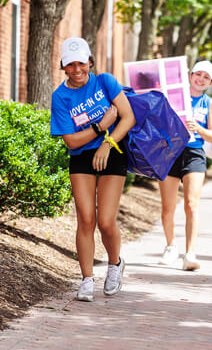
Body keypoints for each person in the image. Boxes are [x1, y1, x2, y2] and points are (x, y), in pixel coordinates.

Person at [50, 37, 136, 302]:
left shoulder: (106, 82)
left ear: (90, 62)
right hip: (81, 157)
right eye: (70, 64)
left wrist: (107, 143)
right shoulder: (60, 96)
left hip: (113, 151)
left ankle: (114, 264)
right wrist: (100, 127)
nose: (77, 69)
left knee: (106, 220)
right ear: (63, 67)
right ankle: (87, 279)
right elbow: (71, 141)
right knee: (86, 219)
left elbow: (128, 117)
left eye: (82, 63)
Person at [158, 60, 212, 270]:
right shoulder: (174, 96)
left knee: (191, 204)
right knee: (168, 206)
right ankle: (170, 246)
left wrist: (198, 129)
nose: (200, 79)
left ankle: (190, 253)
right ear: (190, 75)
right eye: (198, 74)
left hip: (194, 153)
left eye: (206, 77)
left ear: (210, 83)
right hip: (170, 151)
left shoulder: (209, 104)